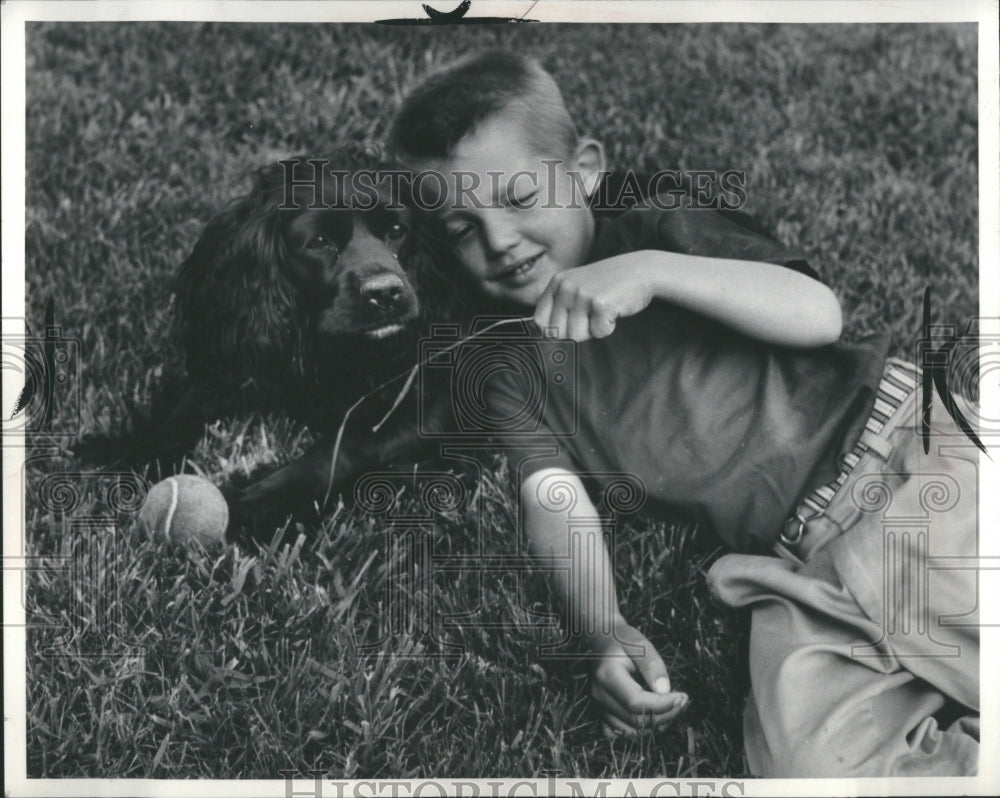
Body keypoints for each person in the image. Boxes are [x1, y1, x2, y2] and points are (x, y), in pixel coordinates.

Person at [387, 49, 981, 776]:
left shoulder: (657, 231)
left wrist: (654, 274)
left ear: (584, 172)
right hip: (806, 572)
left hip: (904, 464)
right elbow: (555, 500)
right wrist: (602, 631)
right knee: (806, 766)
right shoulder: (513, 365)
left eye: (517, 198)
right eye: (460, 229)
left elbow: (817, 314)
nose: (498, 241)